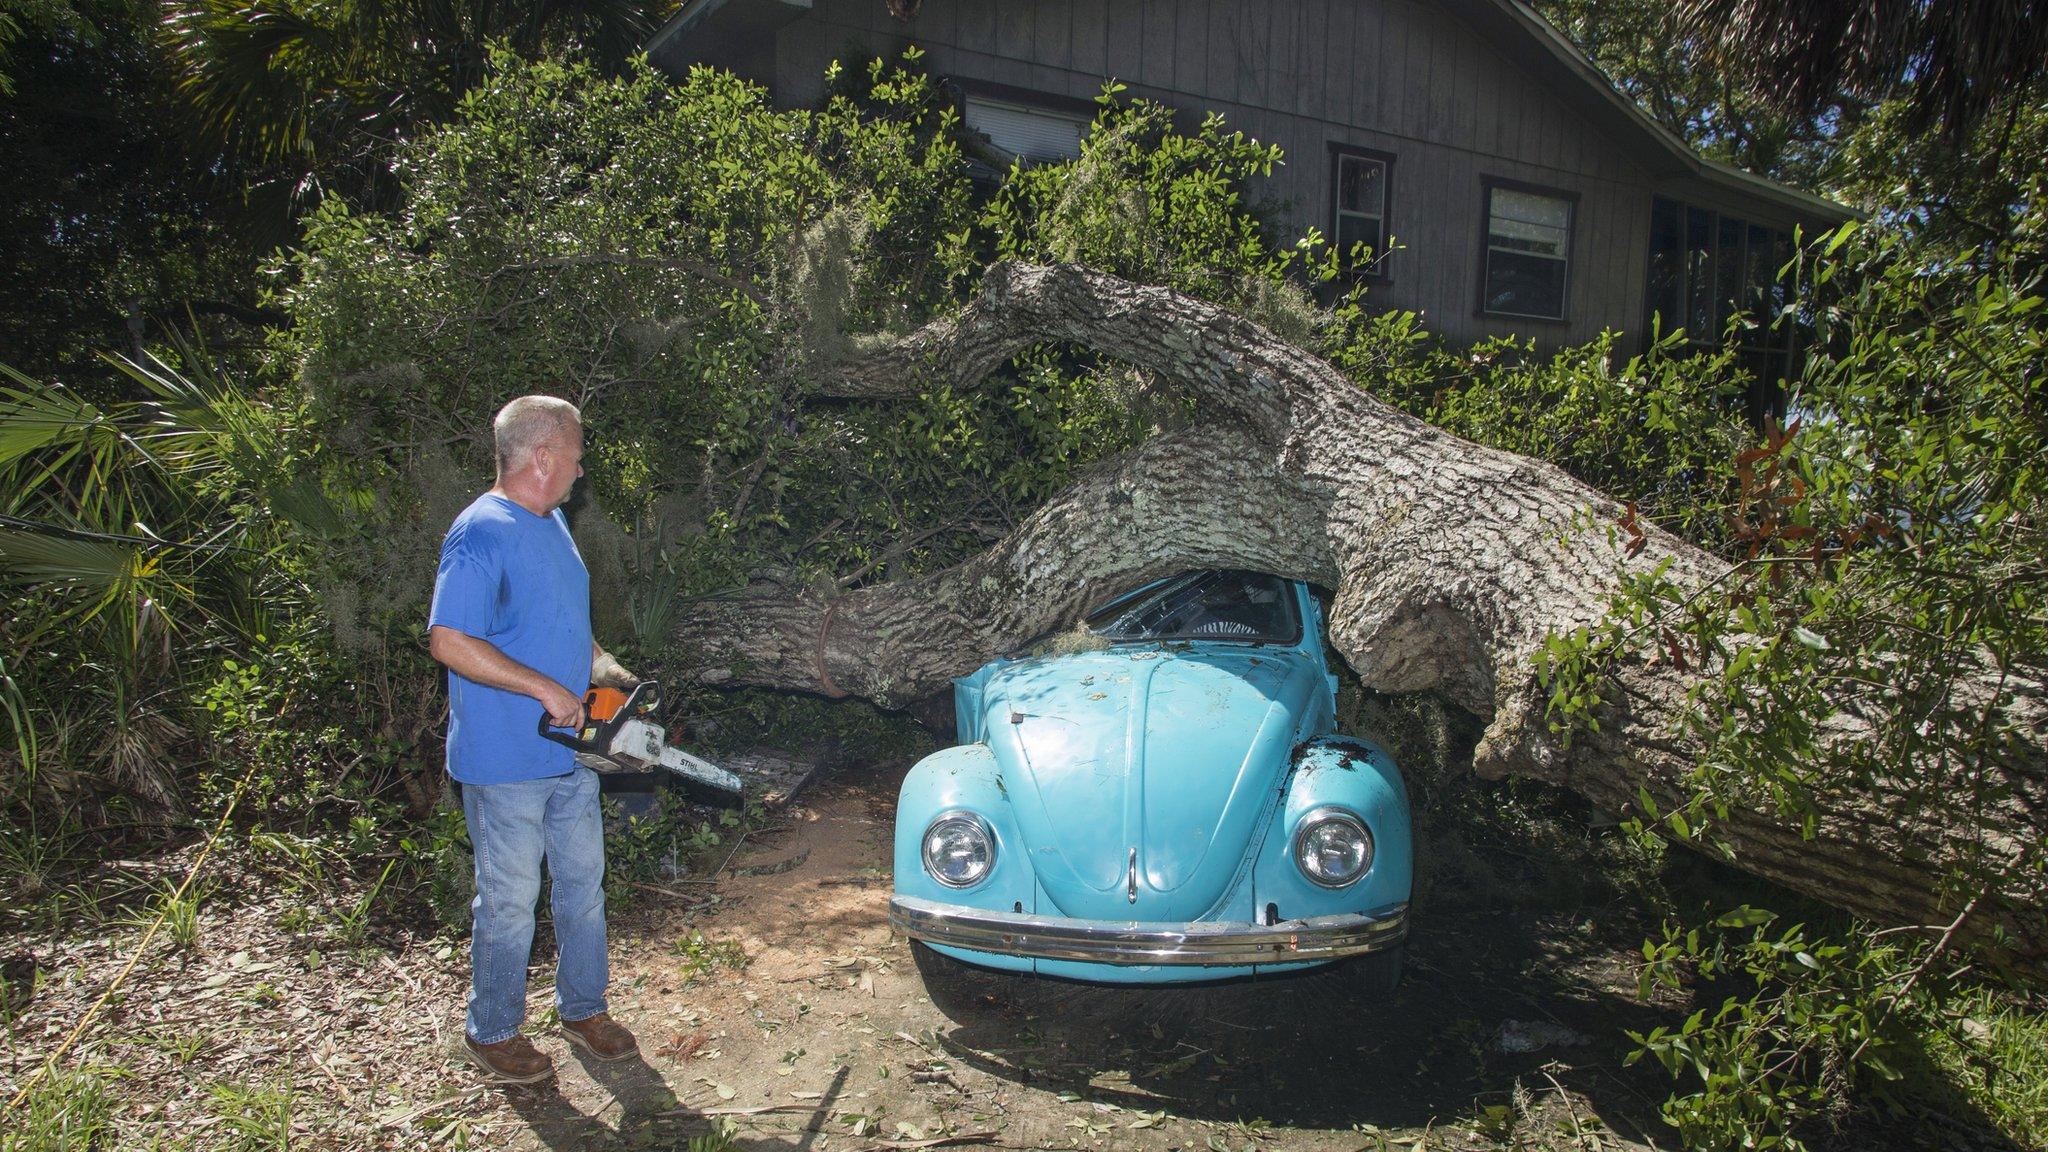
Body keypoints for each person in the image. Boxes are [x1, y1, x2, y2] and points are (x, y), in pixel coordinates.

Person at [427, 394, 641, 1083]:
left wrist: (603, 670)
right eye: (576, 456)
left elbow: (562, 628)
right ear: (543, 455)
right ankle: (491, 1031)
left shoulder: (552, 526)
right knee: (511, 900)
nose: (581, 471)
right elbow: (449, 639)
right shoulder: (480, 531)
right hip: (504, 761)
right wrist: (544, 688)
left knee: (583, 886)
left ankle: (583, 1008)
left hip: (569, 754)